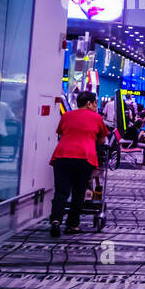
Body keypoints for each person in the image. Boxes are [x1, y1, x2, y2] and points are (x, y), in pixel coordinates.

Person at [49, 91, 107, 237]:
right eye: (95, 103)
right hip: (84, 157)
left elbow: (61, 134)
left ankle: (56, 220)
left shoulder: (67, 115)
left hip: (62, 156)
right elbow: (101, 140)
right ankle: (72, 225)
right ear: (88, 103)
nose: (95, 106)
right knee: (78, 192)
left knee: (61, 191)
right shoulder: (97, 118)